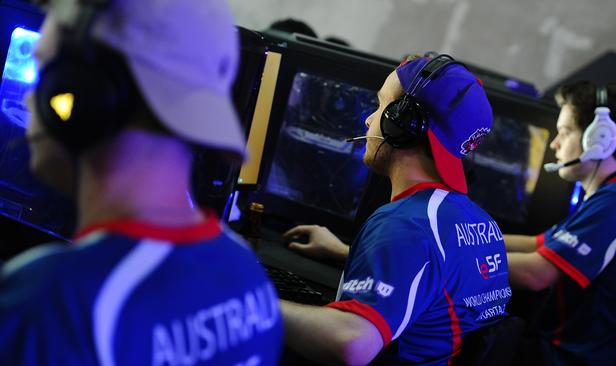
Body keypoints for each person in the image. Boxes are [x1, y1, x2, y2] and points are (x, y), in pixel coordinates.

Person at [0, 0, 283, 365]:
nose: (27, 100)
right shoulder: (246, 275)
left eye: (43, 72)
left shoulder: (55, 299)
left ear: (79, 95)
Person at [281, 55, 512, 365]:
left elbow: (351, 344)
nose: (369, 120)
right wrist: (344, 252)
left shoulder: (404, 225)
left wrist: (251, 303)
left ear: (402, 123)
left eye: (380, 107)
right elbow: (431, 285)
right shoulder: (481, 224)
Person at [504, 81, 616, 365]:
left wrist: (455, 257)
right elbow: (539, 244)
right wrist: (466, 237)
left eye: (565, 132)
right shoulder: (614, 194)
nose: (555, 144)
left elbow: (536, 274)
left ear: (600, 139)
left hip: (566, 358)